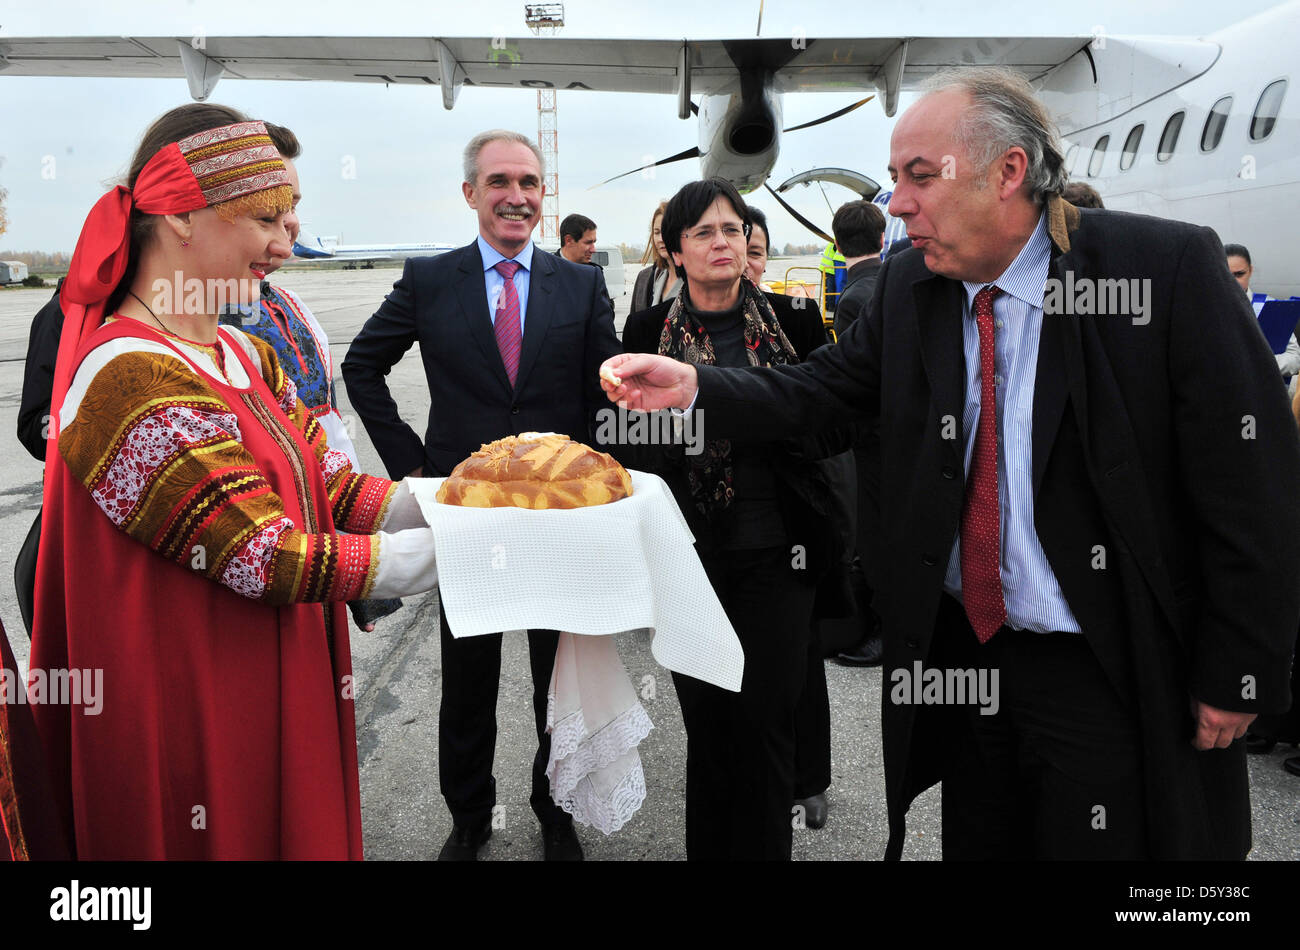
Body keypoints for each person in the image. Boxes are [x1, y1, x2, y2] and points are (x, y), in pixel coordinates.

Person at [601, 67, 1300, 860]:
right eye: (896, 178)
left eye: (919, 178)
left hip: (1104, 665)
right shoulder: (912, 286)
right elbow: (819, 390)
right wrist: (697, 384)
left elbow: (1252, 482)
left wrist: (1240, 666)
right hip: (969, 661)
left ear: (1008, 172)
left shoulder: (1156, 271)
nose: (896, 202)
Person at [29, 104, 442, 859]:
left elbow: (334, 490)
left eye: (291, 219)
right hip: (194, 716)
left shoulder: (243, 355)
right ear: (184, 213)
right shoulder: (130, 373)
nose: (284, 244)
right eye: (267, 218)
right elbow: (264, 556)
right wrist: (476, 547)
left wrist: (463, 497)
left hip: (271, 683)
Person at [342, 129, 620, 862]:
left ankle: (553, 808)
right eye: (499, 181)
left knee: (552, 679)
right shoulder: (431, 282)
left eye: (529, 182)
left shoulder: (581, 285)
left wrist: (593, 476)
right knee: (468, 682)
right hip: (465, 520)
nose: (517, 196)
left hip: (557, 520)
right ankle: (469, 816)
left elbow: (605, 395)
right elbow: (362, 368)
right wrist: (420, 475)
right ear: (471, 193)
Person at [621, 179, 849, 860]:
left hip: (781, 556)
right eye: (703, 233)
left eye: (732, 230)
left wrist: (757, 413)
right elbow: (627, 449)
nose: (722, 243)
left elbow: (830, 429)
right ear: (675, 251)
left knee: (765, 723)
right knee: (710, 725)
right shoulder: (644, 333)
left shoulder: (796, 320)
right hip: (687, 556)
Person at [217, 123, 401, 634]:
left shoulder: (281, 303)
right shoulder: (166, 340)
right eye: (269, 212)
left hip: (315, 537)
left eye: (294, 206)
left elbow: (327, 442)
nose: (291, 228)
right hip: (270, 565)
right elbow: (258, 553)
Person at [744, 205, 845, 832]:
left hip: (794, 521)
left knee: (801, 659)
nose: (747, 260)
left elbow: (833, 414)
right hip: (720, 530)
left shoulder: (795, 316)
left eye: (756, 249)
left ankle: (810, 778)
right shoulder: (673, 325)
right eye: (734, 243)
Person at [826, 200, 887, 670]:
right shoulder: (895, 282)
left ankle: (872, 631)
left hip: (872, 436)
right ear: (883, 238)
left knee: (870, 534)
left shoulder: (853, 299)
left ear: (838, 243)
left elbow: (855, 379)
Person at [1225, 243, 1300, 382]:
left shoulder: (1271, 306)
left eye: (1239, 274)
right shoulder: (1207, 310)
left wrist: (1257, 364)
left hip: (1266, 396)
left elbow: (1294, 359)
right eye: (1227, 275)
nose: (1233, 282)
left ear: (1250, 271)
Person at [629, 201, 681, 314]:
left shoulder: (696, 280)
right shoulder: (644, 278)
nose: (661, 239)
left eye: (667, 231)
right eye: (657, 232)